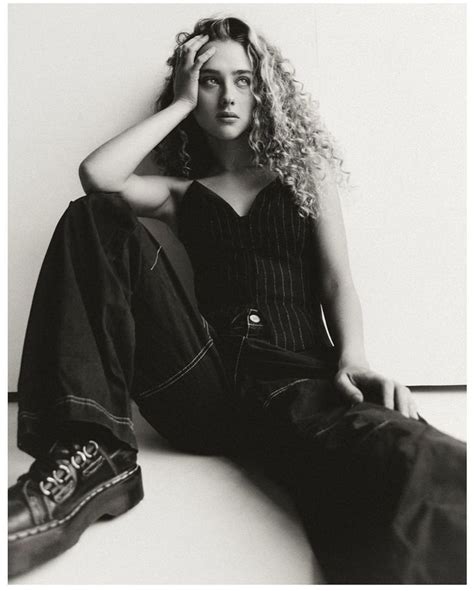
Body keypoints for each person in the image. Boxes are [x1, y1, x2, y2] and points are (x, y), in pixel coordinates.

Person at [9, 16, 465, 583]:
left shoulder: (302, 175)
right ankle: (91, 454)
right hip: (206, 387)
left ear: (265, 90)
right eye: (209, 79)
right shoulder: (181, 195)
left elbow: (336, 281)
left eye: (244, 80)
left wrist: (354, 359)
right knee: (94, 217)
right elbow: (96, 176)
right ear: (187, 87)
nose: (228, 96)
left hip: (299, 380)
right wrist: (178, 103)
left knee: (421, 460)